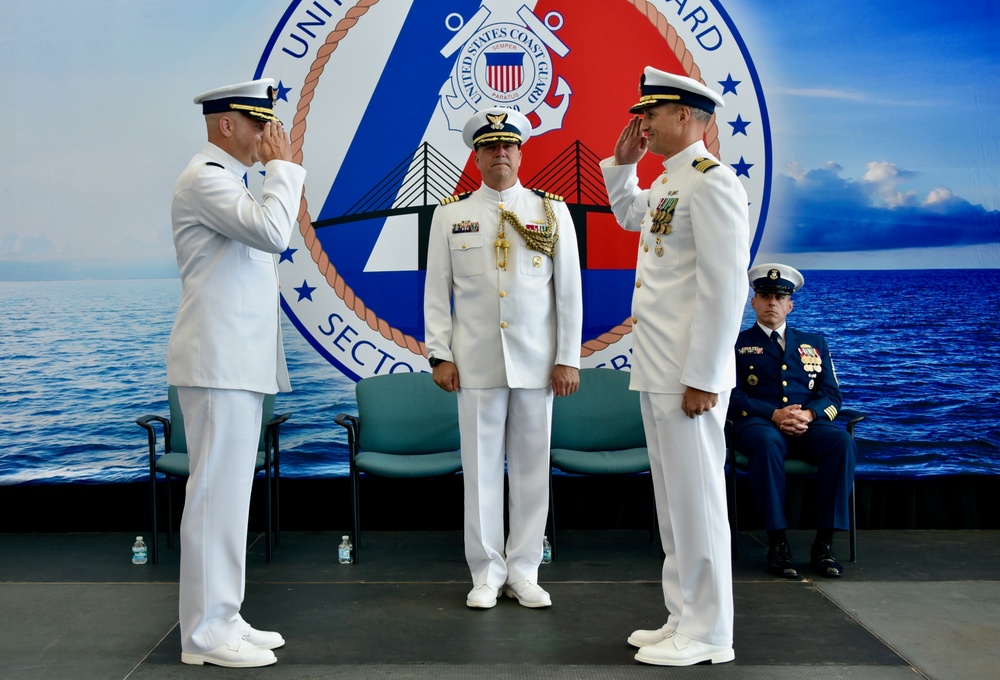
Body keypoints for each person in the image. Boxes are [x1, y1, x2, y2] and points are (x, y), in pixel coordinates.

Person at [601, 66, 750, 666]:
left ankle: (712, 632)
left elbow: (724, 288)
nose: (644, 123)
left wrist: (706, 376)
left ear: (684, 116)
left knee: (701, 501)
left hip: (688, 375)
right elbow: (632, 216)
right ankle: (683, 615)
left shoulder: (713, 184)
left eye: (652, 114)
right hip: (659, 367)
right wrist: (623, 165)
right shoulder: (670, 181)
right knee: (673, 502)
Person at [167, 78, 306, 668]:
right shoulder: (206, 178)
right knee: (212, 499)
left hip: (237, 364)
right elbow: (274, 232)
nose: (267, 136)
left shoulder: (233, 183)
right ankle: (203, 635)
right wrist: (285, 170)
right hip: (217, 363)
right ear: (227, 125)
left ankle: (224, 614)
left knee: (230, 499)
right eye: (258, 124)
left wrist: (272, 173)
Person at [423, 106, 583, 610]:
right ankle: (486, 573)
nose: (499, 153)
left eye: (508, 145)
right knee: (480, 471)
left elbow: (570, 294)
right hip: (474, 364)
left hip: (538, 364)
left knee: (534, 471)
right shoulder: (450, 216)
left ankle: (525, 570)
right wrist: (438, 355)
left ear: (520, 153)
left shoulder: (552, 212)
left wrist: (568, 358)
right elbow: (436, 292)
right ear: (475, 156)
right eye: (489, 147)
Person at [729, 263, 857, 579]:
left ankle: (824, 544)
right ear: (753, 302)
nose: (772, 302)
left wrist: (809, 414)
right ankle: (778, 542)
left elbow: (832, 393)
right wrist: (773, 414)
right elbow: (729, 394)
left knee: (841, 442)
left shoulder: (815, 343)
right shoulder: (735, 343)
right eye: (765, 295)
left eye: (779, 297)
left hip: (807, 423)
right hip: (759, 423)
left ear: (790, 305)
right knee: (767, 443)